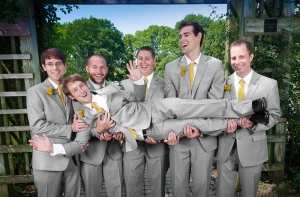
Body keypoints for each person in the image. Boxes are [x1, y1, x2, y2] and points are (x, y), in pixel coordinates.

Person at [29, 71, 268, 157]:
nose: (81, 90)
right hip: (149, 131)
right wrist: (52, 149)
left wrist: (137, 82)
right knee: (197, 124)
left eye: (81, 86)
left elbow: (136, 98)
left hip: (155, 108)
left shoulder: (111, 88)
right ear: (71, 97)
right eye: (75, 90)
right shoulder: (82, 119)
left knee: (200, 106)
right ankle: (242, 121)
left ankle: (249, 106)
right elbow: (77, 143)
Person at [163, 20, 227, 197]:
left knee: (202, 188)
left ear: (198, 36)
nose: (181, 39)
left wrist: (198, 129)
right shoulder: (170, 68)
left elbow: (214, 105)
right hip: (178, 139)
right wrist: (182, 128)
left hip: (204, 139)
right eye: (180, 36)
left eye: (186, 35)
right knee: (177, 189)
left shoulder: (215, 65)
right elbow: (171, 105)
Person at [216, 39, 281, 197]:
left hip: (253, 147)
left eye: (241, 57)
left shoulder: (269, 84)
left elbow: (274, 114)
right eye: (233, 58)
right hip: (226, 146)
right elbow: (217, 110)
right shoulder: (222, 84)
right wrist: (225, 123)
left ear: (251, 57)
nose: (237, 62)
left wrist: (253, 125)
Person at [26, 48, 88, 197]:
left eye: (59, 63)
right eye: (50, 63)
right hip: (47, 161)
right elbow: (37, 126)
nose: (55, 68)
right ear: (44, 67)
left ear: (65, 66)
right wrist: (70, 129)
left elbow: (83, 116)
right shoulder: (35, 92)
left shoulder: (72, 91)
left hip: (72, 159)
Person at [121, 46, 169, 197]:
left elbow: (170, 114)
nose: (143, 62)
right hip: (132, 144)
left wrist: (161, 136)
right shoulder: (124, 84)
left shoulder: (165, 84)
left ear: (154, 60)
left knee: (158, 187)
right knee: (132, 186)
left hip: (157, 143)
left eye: (147, 58)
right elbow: (122, 112)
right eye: (140, 58)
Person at [75, 54, 124, 197]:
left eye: (102, 67)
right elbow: (78, 122)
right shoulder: (79, 90)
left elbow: (124, 115)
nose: (99, 71)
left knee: (117, 192)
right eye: (94, 67)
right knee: (92, 193)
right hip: (90, 153)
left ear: (107, 69)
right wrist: (97, 130)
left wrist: (121, 133)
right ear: (87, 68)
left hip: (114, 150)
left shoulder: (116, 89)